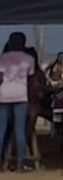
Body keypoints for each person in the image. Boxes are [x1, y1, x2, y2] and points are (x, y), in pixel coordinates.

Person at [0, 32, 36, 170]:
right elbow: (31, 81)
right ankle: (21, 162)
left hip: (4, 94)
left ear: (10, 42)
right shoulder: (29, 59)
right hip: (21, 94)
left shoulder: (2, 57)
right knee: (19, 129)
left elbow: (0, 77)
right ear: (23, 44)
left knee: (1, 128)